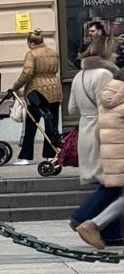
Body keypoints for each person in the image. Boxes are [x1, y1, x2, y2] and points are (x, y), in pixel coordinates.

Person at [68, 34, 121, 244]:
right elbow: (108, 105)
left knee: (108, 182)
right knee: (112, 183)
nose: (117, 55)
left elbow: (71, 108)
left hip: (85, 129)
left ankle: (112, 233)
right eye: (115, 51)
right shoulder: (104, 74)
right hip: (104, 132)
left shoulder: (78, 75)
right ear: (105, 51)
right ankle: (83, 218)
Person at [8, 30, 63, 165]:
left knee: (32, 124)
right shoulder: (53, 53)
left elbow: (27, 73)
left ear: (31, 43)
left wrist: (15, 87)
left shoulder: (31, 54)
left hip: (36, 91)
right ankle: (50, 154)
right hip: (55, 88)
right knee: (52, 123)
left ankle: (26, 156)